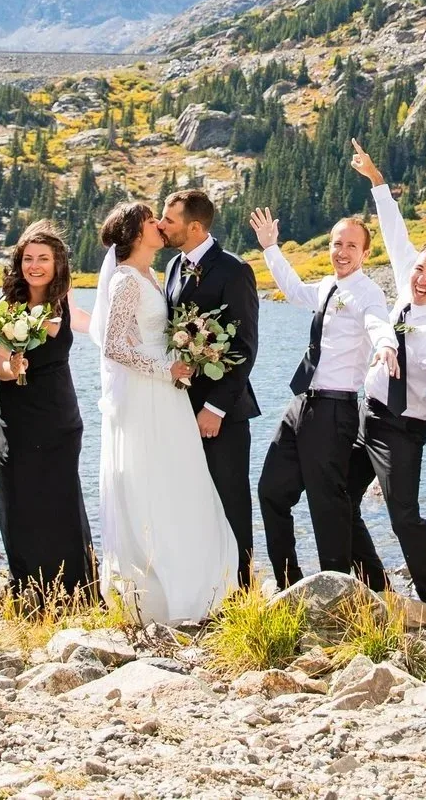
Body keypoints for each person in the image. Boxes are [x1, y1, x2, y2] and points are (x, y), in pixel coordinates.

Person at [93, 200, 235, 624]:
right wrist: (164, 368)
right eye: (150, 220)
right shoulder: (125, 280)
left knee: (179, 479)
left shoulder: (152, 274)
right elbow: (113, 347)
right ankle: (153, 591)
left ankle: (197, 584)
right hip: (145, 394)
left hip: (168, 392)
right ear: (136, 233)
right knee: (150, 483)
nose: (159, 224)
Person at [252, 199, 388, 592]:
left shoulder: (369, 294)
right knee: (271, 491)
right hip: (302, 402)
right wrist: (271, 248)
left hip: (334, 409)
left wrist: (386, 345)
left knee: (327, 506)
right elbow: (295, 292)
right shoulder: (329, 285)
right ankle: (289, 584)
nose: (342, 252)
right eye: (336, 244)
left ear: (365, 253)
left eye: (351, 246)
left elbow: (378, 323)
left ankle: (339, 594)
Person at [356, 146, 426, 614]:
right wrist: (377, 181)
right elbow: (395, 235)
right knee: (339, 496)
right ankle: (374, 585)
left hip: (402, 428)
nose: (422, 278)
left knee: (404, 516)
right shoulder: (407, 286)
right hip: (367, 413)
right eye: (420, 269)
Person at [0, 221, 96, 598]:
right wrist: (11, 367)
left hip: (59, 418)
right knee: (21, 500)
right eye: (28, 258)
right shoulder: (7, 305)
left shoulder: (64, 299)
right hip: (17, 419)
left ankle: (77, 592)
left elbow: (92, 325)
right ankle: (31, 593)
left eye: (43, 259)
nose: (35, 266)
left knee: (61, 501)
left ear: (57, 263)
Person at [160, 187, 260, 585]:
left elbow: (245, 347)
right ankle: (202, 585)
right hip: (180, 406)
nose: (161, 225)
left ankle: (242, 591)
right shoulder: (174, 266)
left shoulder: (234, 270)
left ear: (195, 227)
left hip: (223, 414)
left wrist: (215, 407)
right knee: (191, 500)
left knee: (230, 499)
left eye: (169, 220)